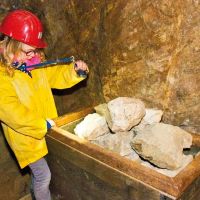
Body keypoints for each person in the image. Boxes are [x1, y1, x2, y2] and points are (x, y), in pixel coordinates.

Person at [0, 9, 89, 200]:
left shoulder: (32, 62)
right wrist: (41, 124)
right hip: (27, 138)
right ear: (10, 45)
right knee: (43, 175)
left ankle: (36, 194)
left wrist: (74, 72)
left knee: (45, 172)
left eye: (35, 49)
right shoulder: (2, 76)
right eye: (27, 50)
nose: (32, 54)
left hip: (46, 129)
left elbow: (53, 75)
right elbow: (13, 113)